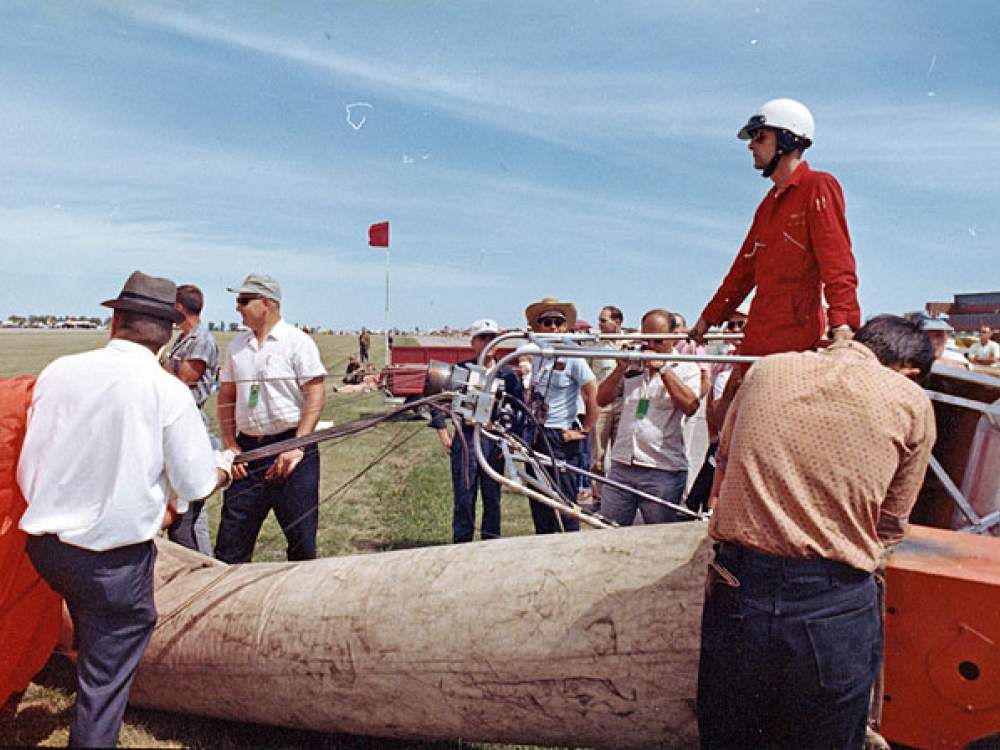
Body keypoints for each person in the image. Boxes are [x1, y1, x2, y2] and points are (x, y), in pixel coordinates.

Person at [696, 314, 936, 749]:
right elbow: (891, 522)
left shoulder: (768, 369)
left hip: (738, 590)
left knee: (730, 734)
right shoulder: (911, 402)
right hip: (830, 603)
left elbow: (725, 460)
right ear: (911, 372)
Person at [17, 271, 232, 747]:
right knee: (106, 676)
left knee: (92, 623)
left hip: (46, 550)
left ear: (114, 320)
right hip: (111, 567)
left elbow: (30, 467)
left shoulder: (59, 371)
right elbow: (195, 483)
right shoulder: (167, 391)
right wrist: (223, 469)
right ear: (170, 333)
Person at [690, 98, 861, 356]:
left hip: (796, 342)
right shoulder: (768, 205)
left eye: (759, 137)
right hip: (759, 333)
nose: (751, 145)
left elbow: (837, 262)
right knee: (732, 397)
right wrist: (709, 318)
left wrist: (843, 323)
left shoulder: (818, 186)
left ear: (787, 140)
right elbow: (742, 271)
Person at [215, 273, 327, 563]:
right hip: (247, 452)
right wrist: (230, 444)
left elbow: (315, 394)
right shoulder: (237, 347)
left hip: (292, 450)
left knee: (301, 542)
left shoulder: (297, 342)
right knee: (230, 544)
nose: (237, 308)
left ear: (266, 303)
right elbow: (226, 396)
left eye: (243, 301)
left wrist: (297, 446)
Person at [596, 309, 700, 525]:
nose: (651, 346)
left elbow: (690, 405)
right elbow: (601, 399)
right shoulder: (634, 364)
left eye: (658, 341)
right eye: (646, 339)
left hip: (662, 470)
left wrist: (663, 369)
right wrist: (619, 369)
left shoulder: (686, 368)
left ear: (674, 338)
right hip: (623, 465)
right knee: (608, 532)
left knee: (658, 538)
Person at [430, 319, 523, 543]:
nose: (488, 343)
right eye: (483, 338)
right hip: (467, 439)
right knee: (464, 498)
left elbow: (521, 409)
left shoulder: (508, 375)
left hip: (494, 442)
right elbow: (435, 400)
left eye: (493, 338)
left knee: (492, 499)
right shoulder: (461, 371)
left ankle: (490, 548)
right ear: (473, 342)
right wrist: (442, 431)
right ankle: (461, 547)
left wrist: (510, 440)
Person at [524, 297, 598, 533]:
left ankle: (570, 545)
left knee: (565, 502)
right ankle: (543, 545)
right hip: (535, 435)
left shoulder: (572, 354)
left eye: (558, 322)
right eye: (547, 322)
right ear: (539, 327)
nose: (553, 327)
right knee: (539, 499)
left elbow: (592, 393)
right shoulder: (537, 351)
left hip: (560, 435)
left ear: (566, 326)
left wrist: (583, 430)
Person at [162, 283, 219, 555]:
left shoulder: (201, 340)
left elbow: (185, 379)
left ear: (179, 307)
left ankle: (200, 568)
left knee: (187, 513)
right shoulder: (183, 339)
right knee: (188, 513)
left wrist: (155, 367)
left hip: (191, 426)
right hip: (178, 424)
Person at [589, 305, 625, 505]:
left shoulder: (631, 343)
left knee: (621, 454)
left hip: (624, 403)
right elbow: (586, 379)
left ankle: (619, 498)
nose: (599, 325)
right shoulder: (595, 347)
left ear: (617, 321)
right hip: (601, 405)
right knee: (598, 455)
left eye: (603, 321)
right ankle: (598, 498)